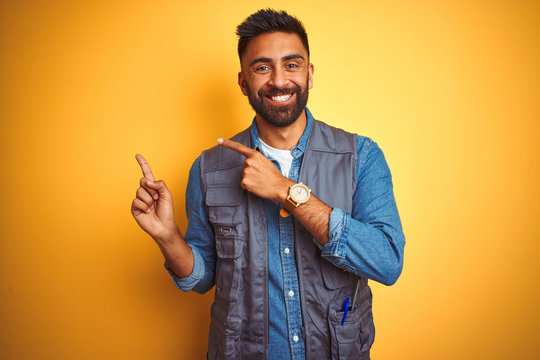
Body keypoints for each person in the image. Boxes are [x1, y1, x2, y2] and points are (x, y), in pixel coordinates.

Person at [131, 8, 405, 360]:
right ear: (244, 82)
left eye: (291, 65)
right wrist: (168, 237)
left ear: (309, 74)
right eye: (262, 67)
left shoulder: (362, 157)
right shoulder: (207, 169)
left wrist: (286, 191)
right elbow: (202, 279)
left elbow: (386, 262)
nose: (278, 80)